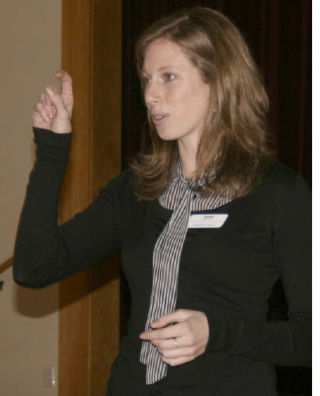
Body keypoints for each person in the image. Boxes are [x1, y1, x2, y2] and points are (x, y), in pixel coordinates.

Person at [13, 7, 311, 396]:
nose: (151, 95)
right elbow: (34, 268)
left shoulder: (277, 192)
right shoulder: (135, 190)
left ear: (219, 80)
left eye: (168, 77)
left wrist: (215, 332)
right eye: (147, 80)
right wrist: (53, 150)